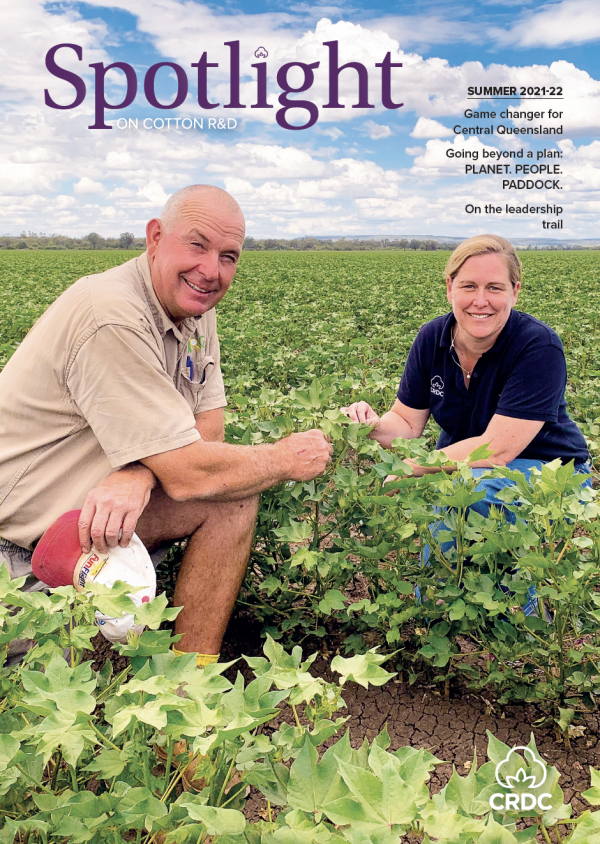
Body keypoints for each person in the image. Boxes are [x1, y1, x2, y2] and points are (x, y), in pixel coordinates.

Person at [0, 184, 332, 664]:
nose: (211, 270)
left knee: (229, 499)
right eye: (196, 245)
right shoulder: (111, 314)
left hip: (87, 524)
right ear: (155, 237)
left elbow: (208, 429)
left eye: (229, 256)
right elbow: (189, 470)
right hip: (19, 547)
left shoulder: (194, 308)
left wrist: (140, 470)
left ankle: (184, 688)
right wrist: (283, 458)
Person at [342, 234, 590, 604]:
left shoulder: (538, 346)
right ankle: (436, 621)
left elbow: (498, 450)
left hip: (552, 476)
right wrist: (372, 424)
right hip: (466, 467)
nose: (480, 300)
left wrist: (414, 467)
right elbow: (407, 424)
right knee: (454, 497)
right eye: (469, 286)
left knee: (467, 496)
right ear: (449, 288)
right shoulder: (432, 338)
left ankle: (518, 619)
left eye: (495, 287)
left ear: (515, 292)